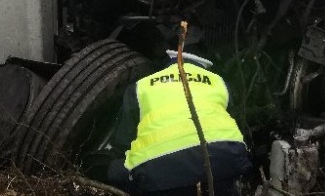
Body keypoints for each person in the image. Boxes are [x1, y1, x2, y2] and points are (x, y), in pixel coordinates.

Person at [106, 49, 251, 196]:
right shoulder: (219, 81)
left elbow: (122, 142)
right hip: (224, 159)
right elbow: (233, 121)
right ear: (202, 66)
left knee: (116, 170)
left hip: (159, 171)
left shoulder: (141, 86)